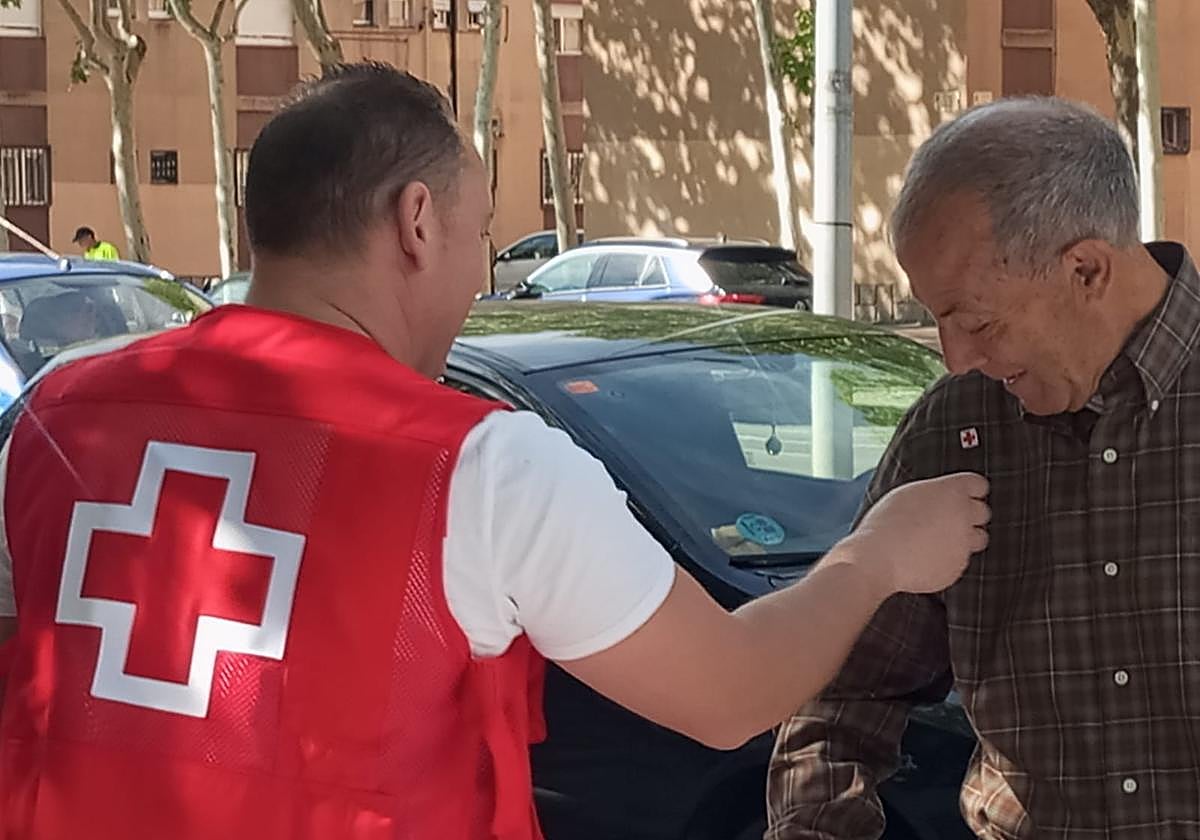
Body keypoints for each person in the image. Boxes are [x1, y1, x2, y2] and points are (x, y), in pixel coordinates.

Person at [0, 63, 988, 839]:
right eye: (480, 234)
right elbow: (730, 694)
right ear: (416, 224)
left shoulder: (58, 409)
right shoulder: (480, 468)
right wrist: (876, 557)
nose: (481, 273)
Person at [767, 95, 1200, 839]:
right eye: (937, 319)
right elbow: (840, 702)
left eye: (976, 322)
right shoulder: (955, 428)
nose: (956, 358)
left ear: (1086, 270)